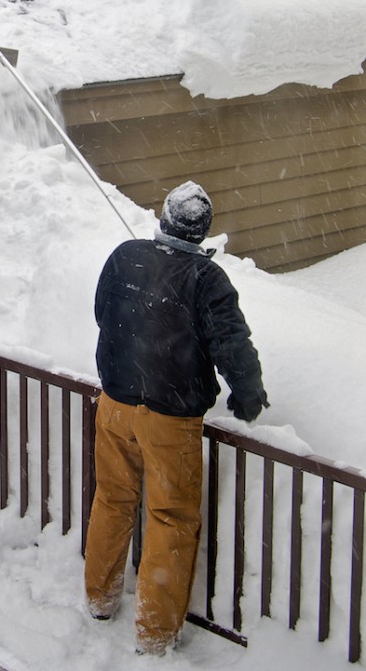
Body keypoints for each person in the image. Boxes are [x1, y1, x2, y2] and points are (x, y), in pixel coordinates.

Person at [84, 181, 268, 656]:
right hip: (169, 420)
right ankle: (155, 633)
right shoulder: (207, 280)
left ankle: (99, 599)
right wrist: (248, 398)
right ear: (202, 231)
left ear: (164, 220)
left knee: (112, 499)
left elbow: (103, 313)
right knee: (170, 519)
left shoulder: (125, 256)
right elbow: (233, 346)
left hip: (115, 406)